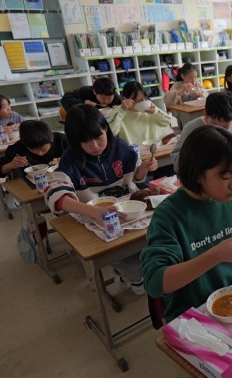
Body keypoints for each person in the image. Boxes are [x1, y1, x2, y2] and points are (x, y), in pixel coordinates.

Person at [139, 125, 232, 322]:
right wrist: (217, 254)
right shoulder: (169, 216)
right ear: (198, 174)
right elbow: (155, 282)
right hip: (191, 314)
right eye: (226, 177)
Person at [45, 104, 158, 295]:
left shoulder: (120, 147)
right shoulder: (70, 159)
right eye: (86, 142)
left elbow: (136, 181)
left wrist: (143, 169)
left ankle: (135, 274)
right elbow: (55, 195)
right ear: (75, 141)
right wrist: (92, 211)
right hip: (98, 220)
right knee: (130, 264)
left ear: (106, 129)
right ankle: (129, 275)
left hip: (130, 212)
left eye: (99, 137)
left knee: (155, 246)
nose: (95, 146)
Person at [171, 91, 232, 212]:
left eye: (225, 126)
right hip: (203, 189)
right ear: (206, 114)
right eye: (215, 125)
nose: (219, 131)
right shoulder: (192, 128)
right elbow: (177, 162)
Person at [0, 120, 67, 179]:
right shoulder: (17, 148)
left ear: (51, 139)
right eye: (34, 150)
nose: (40, 153)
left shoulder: (62, 141)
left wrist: (68, 159)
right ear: (25, 144)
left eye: (43, 149)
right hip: (33, 184)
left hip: (63, 178)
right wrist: (11, 165)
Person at [107, 81, 174, 145]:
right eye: (135, 100)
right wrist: (122, 110)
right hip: (132, 150)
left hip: (152, 147)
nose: (141, 102)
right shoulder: (119, 111)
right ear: (125, 99)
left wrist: (156, 112)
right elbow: (111, 133)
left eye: (142, 99)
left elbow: (167, 122)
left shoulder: (149, 107)